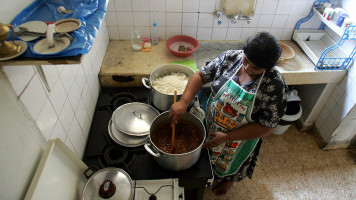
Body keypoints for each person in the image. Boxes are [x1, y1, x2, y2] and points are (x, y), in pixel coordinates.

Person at [169, 32, 288, 195]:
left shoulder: (275, 85)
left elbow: (267, 127)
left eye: (256, 68)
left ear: (268, 68)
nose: (247, 68)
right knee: (207, 157)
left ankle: (229, 180)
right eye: (246, 60)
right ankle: (209, 176)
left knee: (230, 163)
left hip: (239, 139)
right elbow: (200, 75)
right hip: (211, 123)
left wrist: (227, 137)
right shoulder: (230, 58)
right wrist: (183, 102)